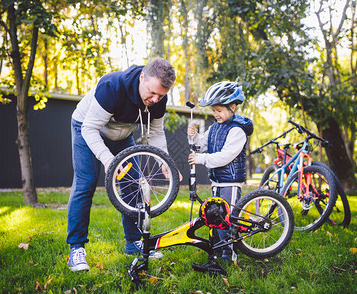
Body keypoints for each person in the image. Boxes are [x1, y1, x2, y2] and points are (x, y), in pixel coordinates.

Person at [67, 58, 176, 272]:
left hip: (122, 134)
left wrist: (165, 161)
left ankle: (133, 243)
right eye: (152, 92)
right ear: (142, 77)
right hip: (87, 129)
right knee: (86, 183)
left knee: (133, 184)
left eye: (160, 95)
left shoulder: (159, 98)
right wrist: (109, 161)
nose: (154, 99)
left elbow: (156, 133)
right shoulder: (112, 87)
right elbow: (90, 129)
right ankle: (76, 250)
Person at [187, 81, 253, 262]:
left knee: (227, 219)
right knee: (214, 217)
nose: (216, 114)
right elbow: (201, 146)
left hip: (230, 182)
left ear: (232, 107)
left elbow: (224, 157)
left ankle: (229, 253)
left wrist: (201, 160)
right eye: (214, 110)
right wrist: (194, 136)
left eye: (219, 110)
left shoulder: (237, 131)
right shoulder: (214, 128)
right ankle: (217, 247)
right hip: (216, 181)